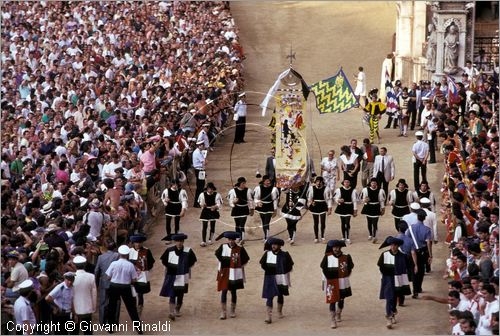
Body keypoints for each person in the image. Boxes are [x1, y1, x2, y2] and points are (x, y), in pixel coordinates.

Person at [105, 245, 143, 334]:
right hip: (126, 287)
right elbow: (134, 279)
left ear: (119, 253)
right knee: (131, 308)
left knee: (112, 307)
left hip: (114, 286)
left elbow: (108, 277)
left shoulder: (113, 264)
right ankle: (139, 329)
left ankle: (110, 328)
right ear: (127, 254)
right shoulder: (130, 265)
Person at [159, 233, 197, 321]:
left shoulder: (188, 251)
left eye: (181, 241)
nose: (179, 243)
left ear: (183, 241)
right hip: (172, 275)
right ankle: (171, 312)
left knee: (180, 293)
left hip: (183, 275)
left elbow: (192, 262)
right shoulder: (169, 250)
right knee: (172, 293)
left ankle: (177, 309)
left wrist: (185, 268)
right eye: (177, 241)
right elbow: (164, 261)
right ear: (175, 242)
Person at [377, 236, 412, 329]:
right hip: (388, 279)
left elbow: (408, 268)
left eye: (395, 245)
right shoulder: (384, 255)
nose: (393, 247)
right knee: (389, 298)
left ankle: (393, 311)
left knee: (394, 297)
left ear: (398, 246)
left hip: (399, 280)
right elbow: (380, 266)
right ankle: (389, 317)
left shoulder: (404, 256)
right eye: (391, 245)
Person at [215, 231, 250, 320]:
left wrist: (238, 267)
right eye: (229, 239)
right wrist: (222, 265)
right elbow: (217, 255)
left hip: (234, 273)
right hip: (224, 273)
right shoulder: (223, 247)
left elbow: (246, 259)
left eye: (233, 240)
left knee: (233, 292)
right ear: (227, 239)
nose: (231, 241)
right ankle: (223, 312)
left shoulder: (240, 249)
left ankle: (232, 310)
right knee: (224, 291)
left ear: (235, 240)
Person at [320, 240, 354, 329]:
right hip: (331, 282)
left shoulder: (346, 257)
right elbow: (323, 269)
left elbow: (350, 268)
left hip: (342, 282)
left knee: (341, 299)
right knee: (332, 300)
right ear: (332, 248)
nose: (336, 249)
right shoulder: (327, 257)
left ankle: (339, 313)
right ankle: (333, 319)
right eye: (334, 247)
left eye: (337, 247)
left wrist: (345, 277)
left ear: (340, 248)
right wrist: (326, 280)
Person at [260, 237, 294, 324]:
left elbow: (290, 266)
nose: (273, 246)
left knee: (280, 294)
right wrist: (269, 271)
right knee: (269, 296)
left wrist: (283, 273)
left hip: (281, 277)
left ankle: (279, 311)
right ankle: (269, 316)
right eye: (272, 244)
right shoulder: (267, 254)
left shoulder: (285, 255)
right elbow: (262, 264)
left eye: (275, 244)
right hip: (270, 277)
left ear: (279, 246)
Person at [405, 209, 432, 299]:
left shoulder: (411, 228)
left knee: (414, 271)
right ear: (424, 218)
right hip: (423, 252)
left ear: (417, 217)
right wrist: (430, 255)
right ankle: (418, 287)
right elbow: (428, 242)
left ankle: (415, 290)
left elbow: (407, 237)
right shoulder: (427, 229)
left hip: (412, 251)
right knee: (421, 271)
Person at [129, 235, 155, 317]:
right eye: (136, 242)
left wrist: (145, 271)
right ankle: (133, 309)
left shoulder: (147, 251)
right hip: (132, 276)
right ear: (133, 243)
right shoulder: (129, 251)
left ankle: (139, 308)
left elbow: (151, 263)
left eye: (139, 242)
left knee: (140, 293)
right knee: (132, 293)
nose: (138, 244)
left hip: (142, 276)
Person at [94, 240, 119, 325]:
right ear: (115, 248)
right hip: (115, 282)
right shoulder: (117, 255)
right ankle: (114, 321)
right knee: (116, 301)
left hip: (103, 281)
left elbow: (96, 271)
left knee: (103, 302)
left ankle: (102, 322)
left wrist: (96, 284)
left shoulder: (101, 257)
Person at [72, 256, 97, 335]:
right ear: (85, 264)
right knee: (87, 330)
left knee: (74, 330)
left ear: (74, 265)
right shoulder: (91, 276)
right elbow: (94, 294)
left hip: (74, 308)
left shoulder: (70, 278)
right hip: (87, 307)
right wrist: (94, 306)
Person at [307, 176, 333, 243]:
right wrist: (311, 202)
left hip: (323, 206)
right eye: (317, 181)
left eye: (320, 182)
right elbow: (309, 197)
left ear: (322, 182)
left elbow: (329, 199)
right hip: (315, 207)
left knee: (322, 222)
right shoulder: (311, 188)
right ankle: (316, 237)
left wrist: (329, 208)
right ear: (315, 182)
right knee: (316, 223)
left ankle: (323, 237)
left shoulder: (326, 189)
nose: (318, 183)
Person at [228, 177, 254, 242]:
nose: (244, 185)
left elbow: (250, 200)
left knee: (242, 224)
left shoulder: (248, 190)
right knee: (237, 224)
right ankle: (237, 237)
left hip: (244, 209)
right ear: (239, 184)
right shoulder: (233, 191)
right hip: (236, 209)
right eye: (243, 184)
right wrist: (234, 202)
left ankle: (242, 238)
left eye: (245, 183)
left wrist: (251, 209)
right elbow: (230, 201)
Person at [254, 175, 279, 241]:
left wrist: (275, 209)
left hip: (269, 207)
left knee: (266, 223)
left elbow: (275, 200)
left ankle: (267, 238)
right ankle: (265, 236)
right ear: (263, 181)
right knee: (263, 222)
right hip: (261, 207)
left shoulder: (274, 189)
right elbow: (255, 198)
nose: (268, 182)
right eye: (267, 181)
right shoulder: (258, 188)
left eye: (269, 181)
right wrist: (258, 202)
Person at [361, 178, 386, 243]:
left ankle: (375, 236)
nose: (373, 184)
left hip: (376, 208)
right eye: (372, 183)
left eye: (375, 183)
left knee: (375, 223)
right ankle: (370, 234)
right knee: (369, 222)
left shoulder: (380, 191)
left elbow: (382, 201)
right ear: (370, 183)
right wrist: (365, 201)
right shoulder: (365, 190)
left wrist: (383, 209)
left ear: (376, 184)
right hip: (368, 207)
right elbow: (362, 199)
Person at [198, 182, 223, 247]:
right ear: (207, 189)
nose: (210, 190)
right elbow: (200, 203)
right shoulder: (202, 194)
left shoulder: (217, 194)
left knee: (212, 225)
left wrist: (215, 207)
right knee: (204, 225)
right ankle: (203, 241)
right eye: (209, 189)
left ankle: (210, 239)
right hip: (205, 211)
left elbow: (219, 204)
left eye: (211, 189)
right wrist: (203, 205)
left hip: (213, 211)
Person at [334, 179, 358, 244]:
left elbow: (354, 201)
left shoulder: (353, 190)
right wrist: (338, 200)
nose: (346, 183)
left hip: (349, 207)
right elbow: (335, 198)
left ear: (349, 183)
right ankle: (343, 237)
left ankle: (347, 237)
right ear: (343, 183)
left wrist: (355, 210)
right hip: (342, 207)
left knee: (347, 222)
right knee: (342, 222)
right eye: (345, 182)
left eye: (348, 182)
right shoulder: (339, 190)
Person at [192, 140, 207, 208]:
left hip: (200, 170)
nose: (203, 146)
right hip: (199, 171)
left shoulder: (198, 151)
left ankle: (199, 201)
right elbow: (204, 162)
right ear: (199, 145)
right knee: (200, 187)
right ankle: (197, 203)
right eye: (202, 145)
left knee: (201, 186)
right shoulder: (197, 152)